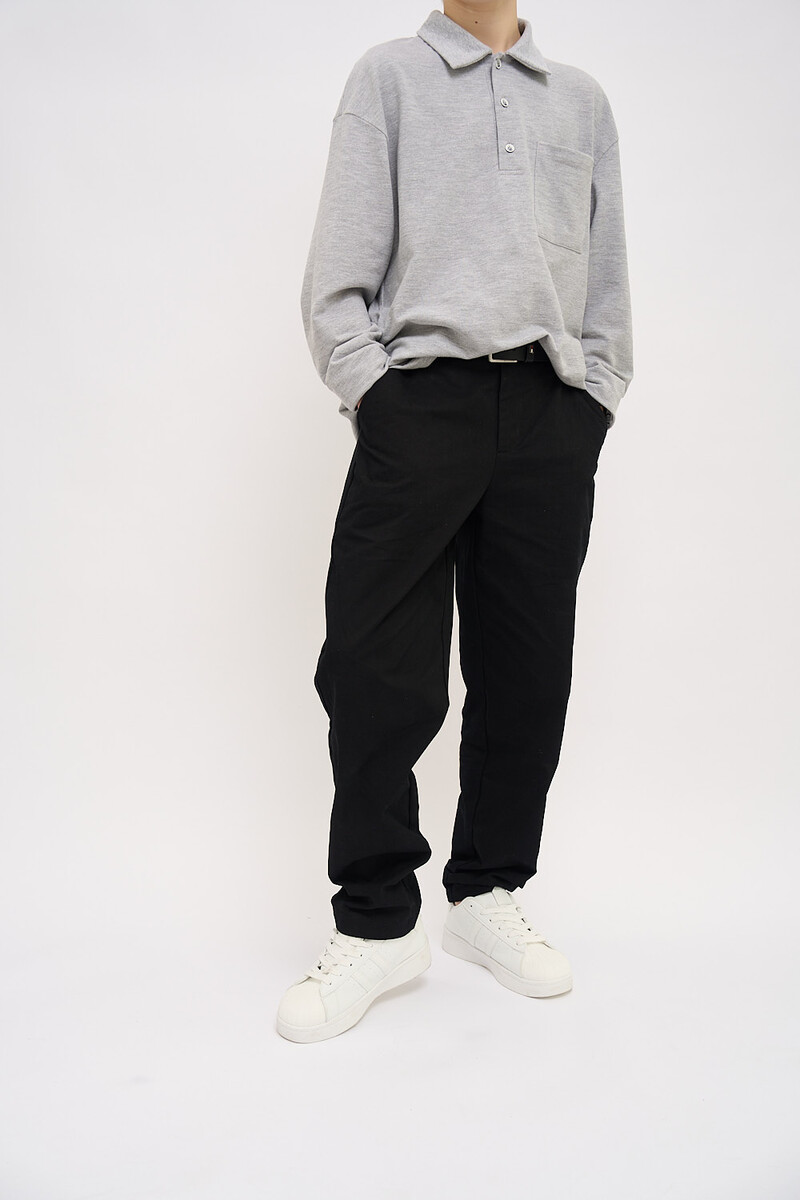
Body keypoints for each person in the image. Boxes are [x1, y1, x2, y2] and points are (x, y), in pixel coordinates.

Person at [277, 0, 633, 1043]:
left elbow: (606, 273)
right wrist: (376, 395)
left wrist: (595, 395)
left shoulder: (580, 100)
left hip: (550, 409)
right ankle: (378, 918)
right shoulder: (389, 75)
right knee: (373, 666)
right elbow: (337, 274)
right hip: (418, 401)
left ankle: (486, 890)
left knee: (527, 669)